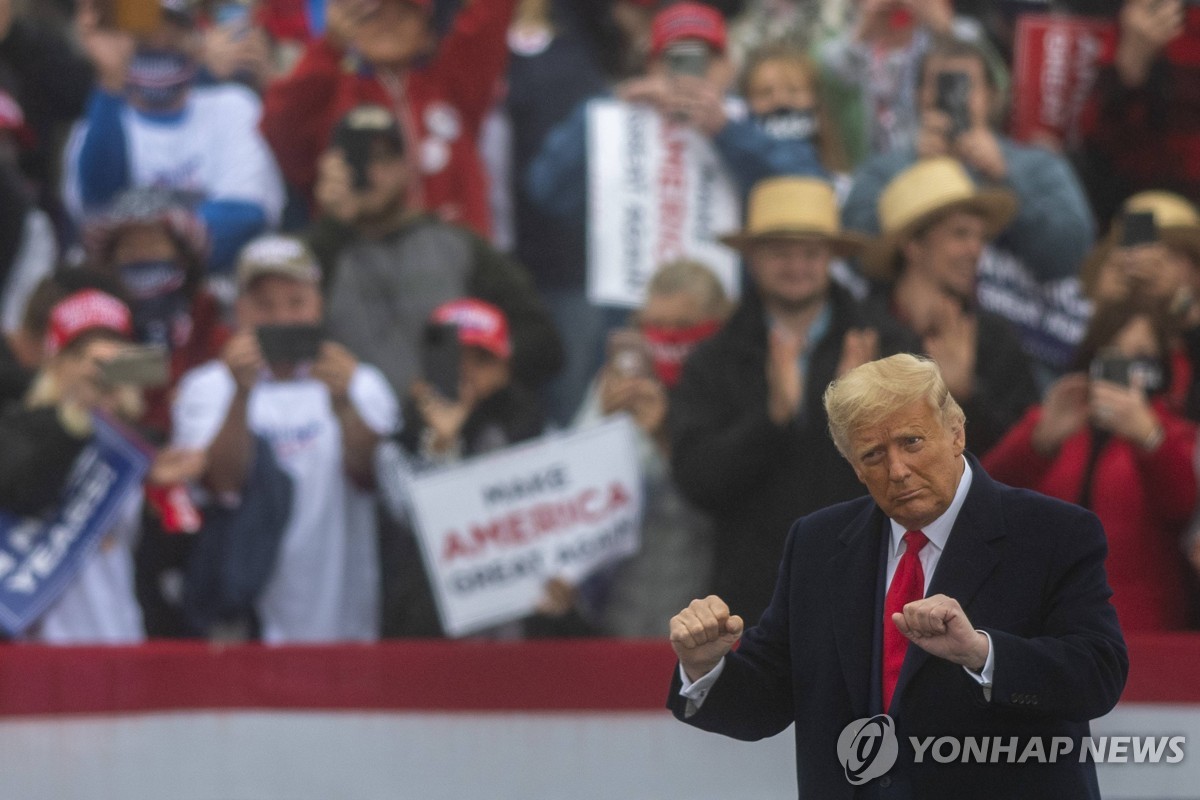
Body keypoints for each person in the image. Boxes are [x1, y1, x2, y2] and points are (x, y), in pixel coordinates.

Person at [668, 353, 1128, 799]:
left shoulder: (1053, 532)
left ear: (956, 433)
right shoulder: (817, 543)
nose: (898, 470)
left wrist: (982, 654)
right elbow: (767, 699)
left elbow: (1098, 674)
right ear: (853, 467)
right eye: (872, 454)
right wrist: (705, 668)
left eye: (911, 442)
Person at [527, 1, 825, 424]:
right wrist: (607, 111)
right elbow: (546, 189)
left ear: (727, 67)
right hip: (634, 341)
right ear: (651, 67)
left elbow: (810, 186)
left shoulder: (746, 124)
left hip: (730, 342)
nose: (690, 72)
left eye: (704, 59)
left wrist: (726, 131)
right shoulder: (618, 124)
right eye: (676, 59)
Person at [669, 176, 916, 625]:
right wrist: (772, 422)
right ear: (753, 258)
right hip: (752, 602)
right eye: (780, 251)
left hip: (870, 587)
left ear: (831, 258)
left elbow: (927, 472)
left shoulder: (888, 344)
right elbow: (696, 480)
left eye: (810, 252)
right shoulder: (714, 357)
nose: (796, 265)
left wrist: (854, 421)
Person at [171, 234, 399, 642]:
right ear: (240, 311)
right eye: (264, 305)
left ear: (319, 306)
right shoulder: (206, 388)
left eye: (296, 303)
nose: (282, 318)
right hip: (243, 627)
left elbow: (374, 478)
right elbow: (221, 484)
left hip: (343, 624)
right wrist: (239, 394)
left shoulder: (361, 383)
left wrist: (345, 406)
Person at [843, 36, 1095, 375]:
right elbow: (858, 254)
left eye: (966, 85)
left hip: (1028, 353)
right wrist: (918, 174)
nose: (954, 98)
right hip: (909, 349)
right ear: (918, 96)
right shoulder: (886, 168)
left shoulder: (1038, 166)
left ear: (992, 97)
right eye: (941, 85)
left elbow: (1073, 253)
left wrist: (1005, 179)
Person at [315, 104, 563, 398]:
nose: (371, 172)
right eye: (355, 161)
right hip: (354, 431)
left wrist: (482, 375)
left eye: (384, 158)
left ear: (408, 166)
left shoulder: (457, 245)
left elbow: (542, 339)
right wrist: (335, 223)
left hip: (452, 425)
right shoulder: (317, 252)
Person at [0, 288, 204, 643]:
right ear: (56, 363)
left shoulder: (145, 446)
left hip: (124, 639)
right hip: (38, 646)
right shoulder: (19, 427)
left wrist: (164, 495)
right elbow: (24, 495)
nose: (98, 366)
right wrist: (76, 421)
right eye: (82, 355)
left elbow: (177, 555)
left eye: (113, 354)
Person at [983, 301, 1197, 632]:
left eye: (1140, 356)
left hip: (1140, 633)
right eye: (1114, 356)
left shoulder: (1174, 434)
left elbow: (1183, 506)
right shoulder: (1057, 419)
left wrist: (1151, 439)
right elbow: (986, 495)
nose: (1125, 369)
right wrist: (1037, 442)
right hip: (1044, 626)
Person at [261, 0, 517, 238]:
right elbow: (280, 130)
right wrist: (329, 48)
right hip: (361, 264)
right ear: (350, 26)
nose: (387, 24)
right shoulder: (332, 93)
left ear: (427, 31)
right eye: (373, 15)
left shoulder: (454, 83)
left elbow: (488, 21)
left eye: (402, 14)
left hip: (458, 264)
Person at [66, 0, 285, 274]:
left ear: (195, 40)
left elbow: (245, 214)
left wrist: (146, 238)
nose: (158, 44)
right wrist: (111, 79)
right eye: (144, 36)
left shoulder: (233, 105)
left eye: (171, 36)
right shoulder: (97, 123)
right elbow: (97, 205)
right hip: (124, 293)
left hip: (215, 291)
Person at [573, 258, 731, 637]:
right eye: (655, 327)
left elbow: (722, 499)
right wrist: (606, 428)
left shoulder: (730, 385)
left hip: (702, 597)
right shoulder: (615, 385)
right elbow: (573, 489)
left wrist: (664, 436)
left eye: (683, 327)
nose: (668, 339)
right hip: (619, 601)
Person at [860, 157, 1038, 456]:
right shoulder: (858, 331)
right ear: (913, 246)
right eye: (960, 234)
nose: (976, 250)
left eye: (980, 237)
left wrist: (966, 395)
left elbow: (1019, 456)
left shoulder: (994, 337)